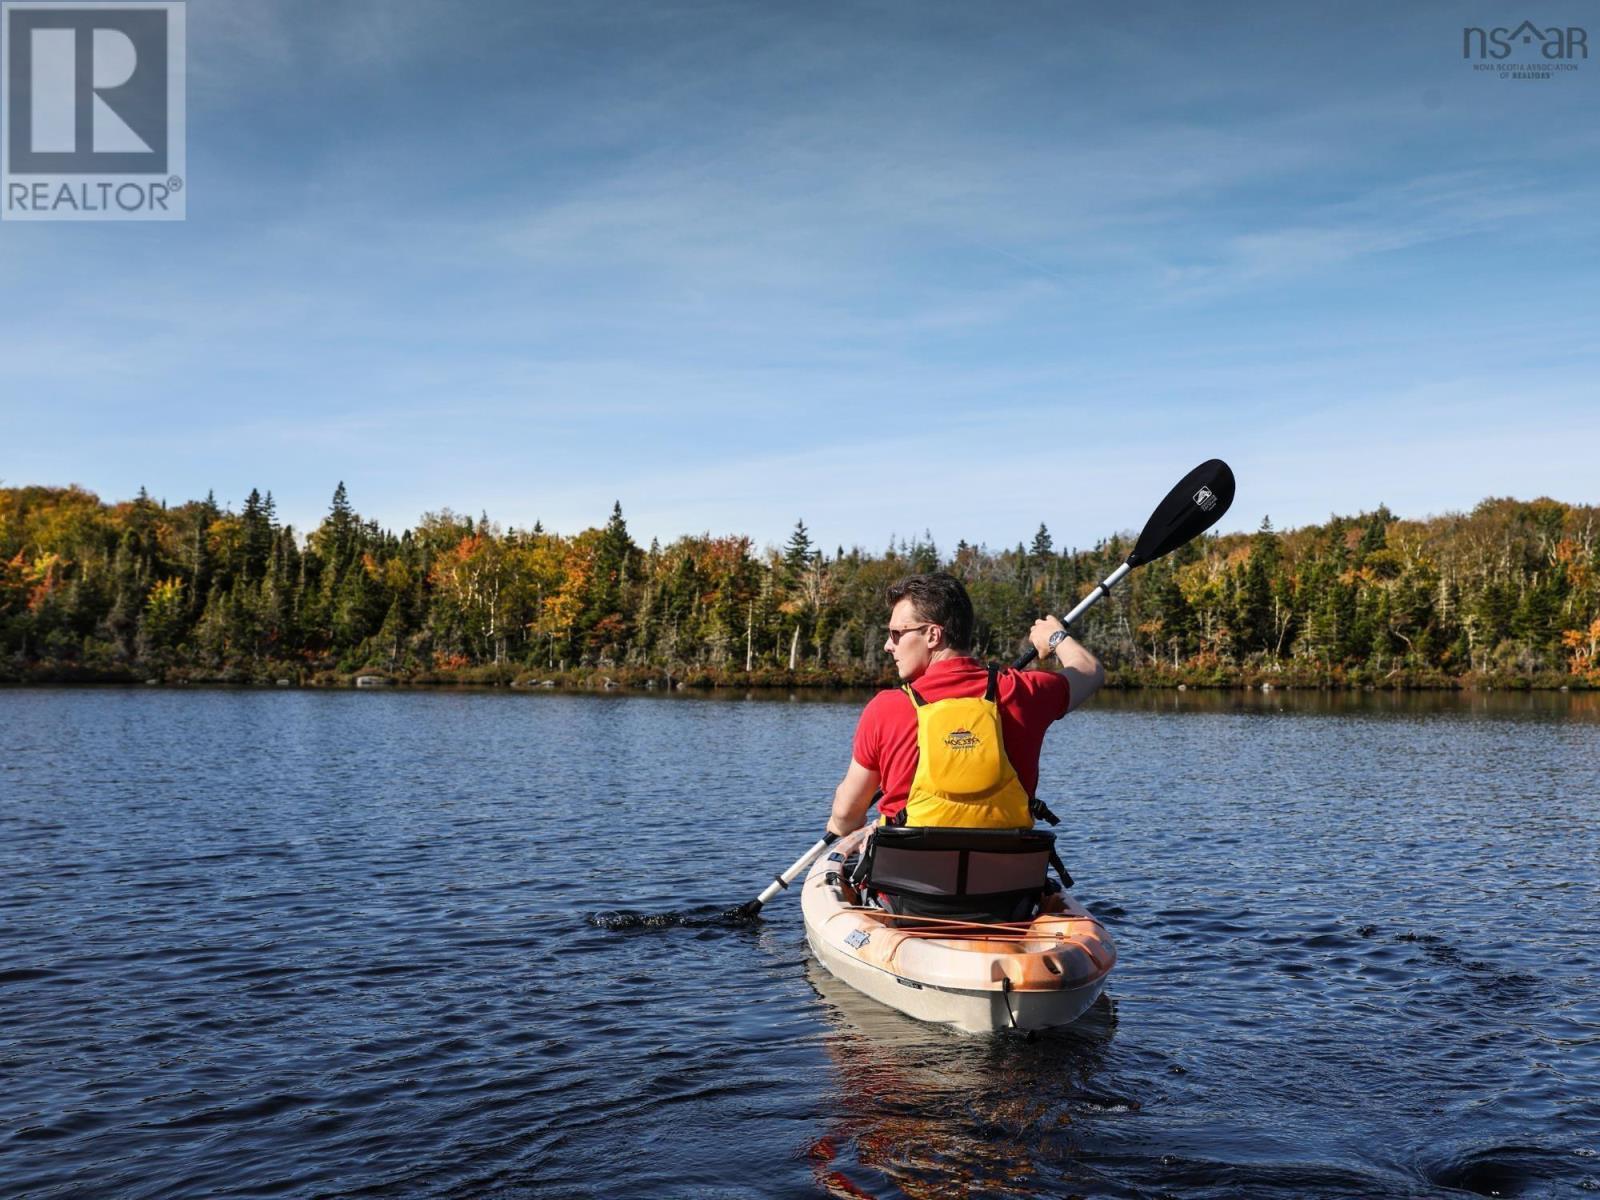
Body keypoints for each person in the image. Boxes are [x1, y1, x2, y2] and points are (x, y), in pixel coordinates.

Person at [826, 572, 1104, 838]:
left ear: (933, 635)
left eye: (896, 633)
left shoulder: (885, 709)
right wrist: (1054, 636)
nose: (889, 645)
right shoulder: (1021, 692)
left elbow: (846, 816)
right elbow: (1089, 671)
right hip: (1007, 885)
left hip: (909, 885)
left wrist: (850, 826)